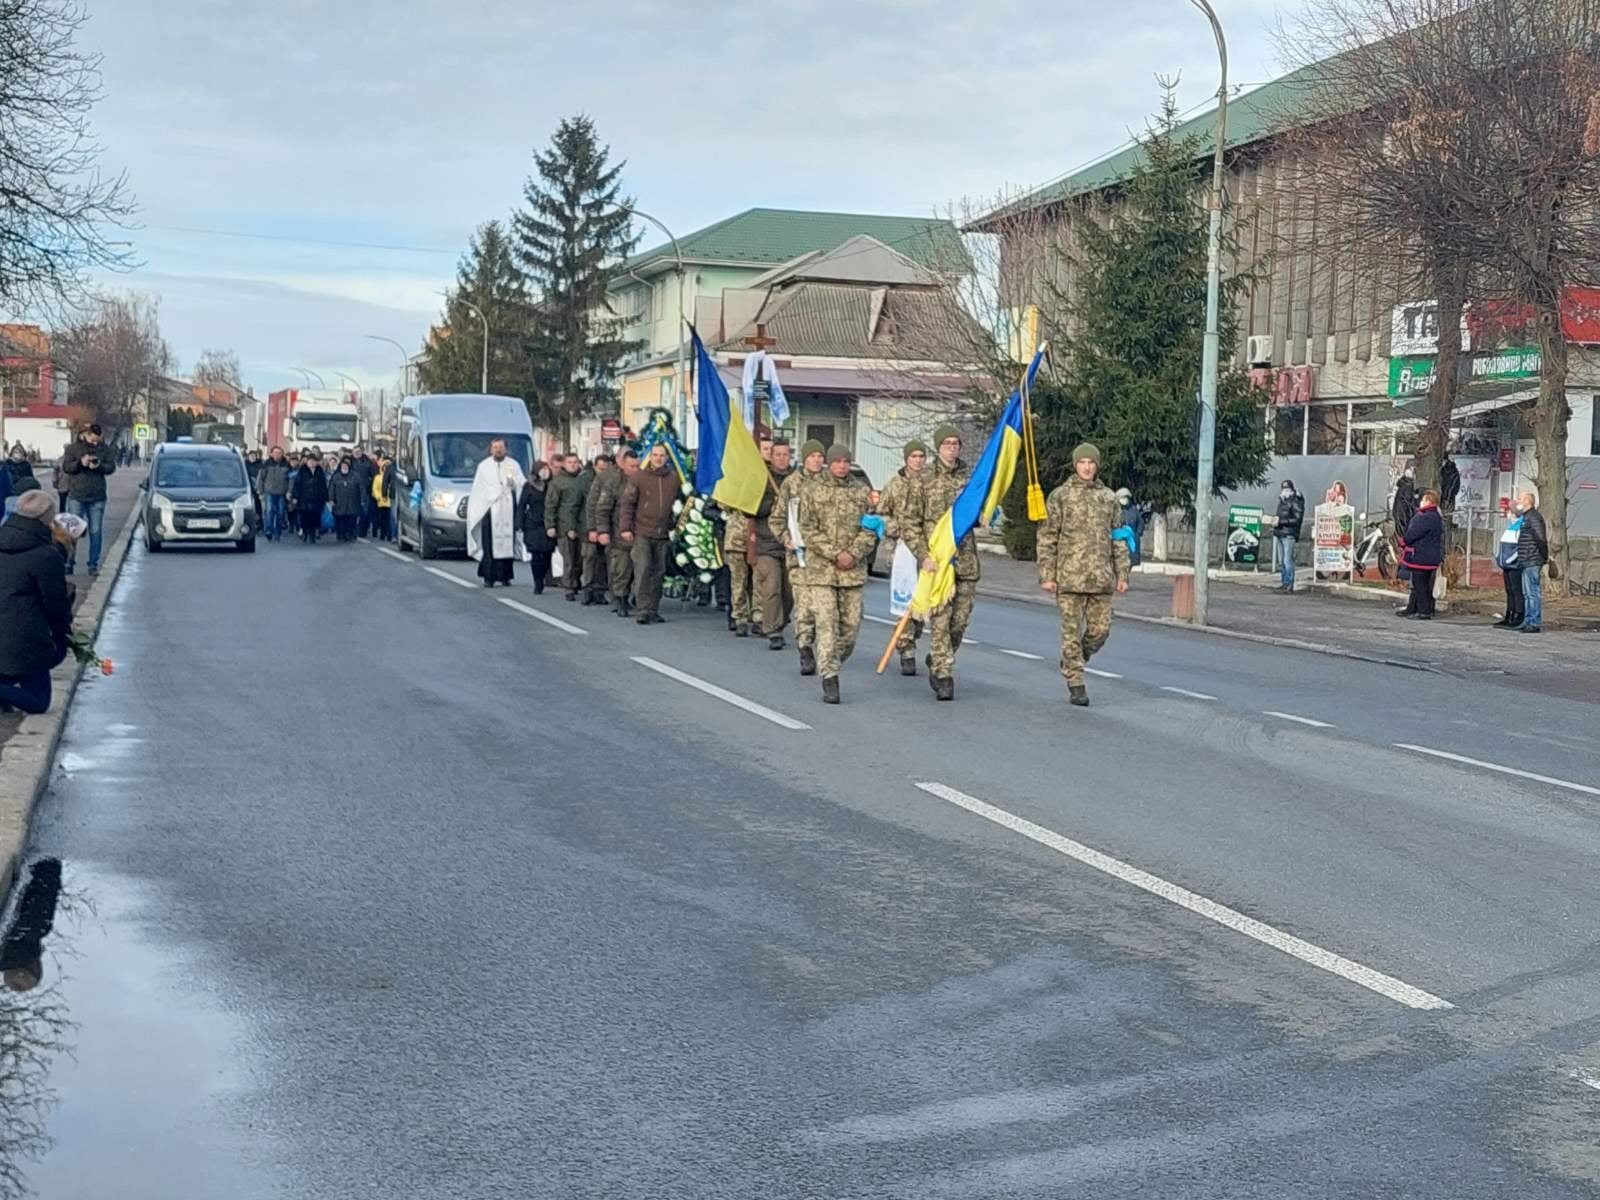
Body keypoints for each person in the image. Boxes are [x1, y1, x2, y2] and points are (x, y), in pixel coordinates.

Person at [1036, 444, 1131, 707]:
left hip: (1100, 579)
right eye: (1082, 462)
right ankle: (1076, 681)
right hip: (1069, 578)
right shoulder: (1060, 496)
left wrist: (1122, 572)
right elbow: (1047, 537)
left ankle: (1075, 658)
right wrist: (1047, 574)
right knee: (1070, 632)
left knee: (1101, 630)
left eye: (1091, 462)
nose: (1087, 467)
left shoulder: (1109, 498)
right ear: (1075, 465)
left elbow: (1118, 538)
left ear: (1097, 466)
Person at [795, 446, 877, 703]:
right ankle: (829, 676)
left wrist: (853, 552)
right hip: (822, 571)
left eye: (846, 461)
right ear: (829, 463)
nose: (842, 466)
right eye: (837, 461)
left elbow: (872, 527)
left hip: (852, 572)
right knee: (826, 624)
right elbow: (806, 528)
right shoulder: (811, 489)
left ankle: (830, 658)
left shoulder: (861, 492)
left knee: (850, 629)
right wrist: (834, 553)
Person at [907, 425, 978, 701]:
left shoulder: (971, 479)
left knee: (958, 624)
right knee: (940, 622)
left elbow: (981, 511)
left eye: (956, 443)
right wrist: (922, 555)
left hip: (965, 561)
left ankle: (938, 657)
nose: (952, 447)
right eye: (947, 443)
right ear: (938, 448)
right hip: (936, 563)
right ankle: (943, 673)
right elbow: (910, 522)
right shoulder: (923, 480)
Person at [0, 491, 71, 715]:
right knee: (38, 702)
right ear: (47, 520)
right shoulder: (46, 556)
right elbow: (56, 607)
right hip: (26, 643)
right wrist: (63, 636)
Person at [875, 439, 927, 674]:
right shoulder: (894, 485)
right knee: (906, 600)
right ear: (906, 459)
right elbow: (882, 514)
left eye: (921, 456)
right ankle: (906, 648)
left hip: (927, 549)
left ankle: (913, 634)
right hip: (903, 549)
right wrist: (897, 529)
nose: (917, 460)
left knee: (923, 602)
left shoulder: (930, 482)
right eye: (913, 456)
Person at [776, 439, 826, 673]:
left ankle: (826, 647)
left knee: (824, 609)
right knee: (804, 606)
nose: (817, 460)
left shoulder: (830, 483)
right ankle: (805, 647)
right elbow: (777, 518)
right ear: (804, 459)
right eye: (812, 456)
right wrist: (785, 537)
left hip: (825, 558)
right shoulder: (791, 484)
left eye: (820, 456)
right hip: (800, 556)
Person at [619, 443, 677, 624]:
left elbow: (678, 504)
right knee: (643, 570)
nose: (658, 458)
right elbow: (627, 504)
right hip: (642, 531)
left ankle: (653, 609)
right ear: (650, 457)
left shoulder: (674, 478)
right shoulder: (639, 477)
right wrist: (625, 528)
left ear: (667, 458)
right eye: (655, 455)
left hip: (663, 533)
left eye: (662, 455)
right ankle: (642, 609)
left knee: (659, 573)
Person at [466, 437, 528, 587]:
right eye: (495, 447)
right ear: (491, 449)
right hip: (490, 509)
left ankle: (505, 576)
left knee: (508, 541)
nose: (498, 450)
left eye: (501, 447)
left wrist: (513, 484)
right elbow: (478, 490)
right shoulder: (483, 466)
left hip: (508, 508)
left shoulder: (513, 465)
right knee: (489, 544)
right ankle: (489, 577)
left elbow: (521, 484)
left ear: (505, 449)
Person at [752, 440, 795, 648]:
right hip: (767, 542)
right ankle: (772, 630)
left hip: (792, 543)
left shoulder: (796, 480)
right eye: (777, 454)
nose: (781, 458)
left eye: (785, 454)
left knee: (790, 591)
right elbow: (751, 509)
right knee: (772, 587)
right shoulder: (762, 479)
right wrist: (774, 504)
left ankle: (781, 620)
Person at [61, 423, 116, 576]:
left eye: (98, 440)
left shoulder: (104, 449)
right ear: (85, 434)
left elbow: (111, 467)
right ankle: (69, 562)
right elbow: (67, 467)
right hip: (77, 495)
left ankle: (93, 564)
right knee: (72, 531)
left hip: (97, 496)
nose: (95, 443)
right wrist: (81, 463)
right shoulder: (73, 448)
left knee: (96, 531)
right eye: (93, 440)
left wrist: (98, 466)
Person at [592, 449, 637, 616]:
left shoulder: (643, 481)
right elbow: (602, 508)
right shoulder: (613, 482)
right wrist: (602, 530)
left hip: (639, 533)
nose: (635, 469)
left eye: (637, 466)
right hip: (618, 533)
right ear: (623, 465)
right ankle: (621, 600)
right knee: (621, 570)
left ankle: (636, 599)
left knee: (639, 570)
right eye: (631, 466)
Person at [548, 452, 589, 600]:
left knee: (580, 559)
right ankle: (569, 587)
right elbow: (551, 505)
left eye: (575, 462)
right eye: (570, 462)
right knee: (569, 559)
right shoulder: (558, 482)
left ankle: (576, 581)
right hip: (564, 526)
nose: (573, 465)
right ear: (565, 464)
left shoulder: (584, 479)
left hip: (581, 525)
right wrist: (550, 525)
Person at [1398, 488, 1444, 619]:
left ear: (1429, 501)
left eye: (1423, 500)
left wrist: (1403, 541)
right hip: (1431, 556)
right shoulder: (1436, 516)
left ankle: (1424, 611)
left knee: (1420, 584)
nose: (1421, 502)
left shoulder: (1425, 517)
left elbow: (1413, 534)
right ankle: (1413, 608)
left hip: (1421, 557)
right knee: (1421, 583)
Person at [580, 454, 617, 606]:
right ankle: (587, 589)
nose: (603, 471)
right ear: (594, 466)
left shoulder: (612, 480)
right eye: (600, 468)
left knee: (604, 560)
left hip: (607, 527)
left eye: (606, 468)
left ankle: (600, 591)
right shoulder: (585, 481)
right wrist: (591, 528)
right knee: (589, 558)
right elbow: (588, 506)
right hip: (591, 527)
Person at [519, 461, 555, 593]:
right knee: (535, 554)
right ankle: (537, 581)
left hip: (548, 524)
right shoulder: (528, 486)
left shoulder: (552, 485)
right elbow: (522, 505)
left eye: (546, 468)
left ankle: (543, 575)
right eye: (542, 469)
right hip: (533, 524)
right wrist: (520, 523)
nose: (545, 471)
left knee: (547, 554)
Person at [1516, 490, 1548, 633]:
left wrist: (1543, 556)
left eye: (1521, 498)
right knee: (1527, 593)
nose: (1518, 501)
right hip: (1526, 559)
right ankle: (1528, 620)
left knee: (1532, 593)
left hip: (1532, 559)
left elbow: (1540, 538)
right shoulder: (1526, 517)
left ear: (1527, 501)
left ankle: (1534, 622)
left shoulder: (1534, 517)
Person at [1494, 506, 1525, 629]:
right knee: (1509, 591)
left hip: (1514, 565)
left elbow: (1519, 548)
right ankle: (1509, 614)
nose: (1507, 514)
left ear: (1513, 513)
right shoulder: (1511, 527)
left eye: (1509, 511)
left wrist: (1510, 559)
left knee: (1516, 590)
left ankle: (1518, 614)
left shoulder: (1520, 527)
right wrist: (1498, 557)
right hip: (1506, 564)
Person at [1273, 479, 1304, 593]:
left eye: (1287, 489)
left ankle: (1289, 585)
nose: (1285, 491)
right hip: (1280, 533)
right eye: (1283, 489)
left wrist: (1280, 522)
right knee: (1281, 562)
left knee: (1287, 561)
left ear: (1291, 489)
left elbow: (1296, 519)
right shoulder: (1282, 501)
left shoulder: (1296, 501)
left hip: (1289, 534)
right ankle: (1284, 583)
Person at [291, 452, 328, 543]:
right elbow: (297, 485)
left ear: (316, 462)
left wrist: (326, 497)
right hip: (304, 498)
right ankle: (305, 533)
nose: (311, 463)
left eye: (313, 461)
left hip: (317, 498)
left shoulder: (320, 471)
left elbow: (323, 485)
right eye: (310, 461)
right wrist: (295, 497)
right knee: (304, 516)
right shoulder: (302, 471)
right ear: (307, 462)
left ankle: (312, 534)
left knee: (315, 517)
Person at [257, 446, 293, 542]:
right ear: (271, 454)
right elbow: (260, 478)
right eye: (275, 452)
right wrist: (260, 492)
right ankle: (269, 531)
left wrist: (289, 491)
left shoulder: (287, 465)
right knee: (269, 511)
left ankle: (278, 532)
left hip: (282, 493)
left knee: (281, 513)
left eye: (279, 452)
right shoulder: (266, 464)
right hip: (269, 492)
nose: (277, 454)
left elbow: (291, 479)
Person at [329, 457, 364, 542]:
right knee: (340, 521)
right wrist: (331, 499)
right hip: (339, 503)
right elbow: (331, 489)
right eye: (343, 466)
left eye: (346, 466)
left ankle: (351, 535)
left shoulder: (355, 476)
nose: (344, 467)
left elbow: (361, 488)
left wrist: (362, 500)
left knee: (352, 521)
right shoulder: (336, 476)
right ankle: (341, 536)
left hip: (353, 502)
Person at [0, 445, 37, 519]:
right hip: (9, 495)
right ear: (12, 453)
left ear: (23, 453)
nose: (18, 453)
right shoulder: (6, 464)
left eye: (20, 451)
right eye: (16, 451)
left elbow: (31, 480)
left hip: (23, 494)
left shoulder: (26, 465)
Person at [1113, 486, 1144, 569]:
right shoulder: (1114, 510)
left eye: (1126, 497)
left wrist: (1137, 534)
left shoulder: (1134, 510)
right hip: (1119, 542)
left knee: (1129, 565)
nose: (1125, 499)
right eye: (1122, 497)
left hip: (1132, 542)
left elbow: (1140, 522)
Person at [350, 446, 378, 537]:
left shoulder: (368, 462)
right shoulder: (349, 462)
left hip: (365, 490)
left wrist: (370, 486)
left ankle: (362, 531)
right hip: (352, 490)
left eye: (359, 451)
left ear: (362, 452)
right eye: (355, 452)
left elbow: (375, 476)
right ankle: (352, 530)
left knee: (364, 512)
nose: (357, 453)